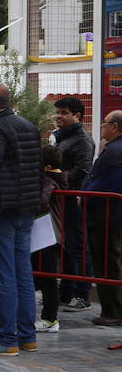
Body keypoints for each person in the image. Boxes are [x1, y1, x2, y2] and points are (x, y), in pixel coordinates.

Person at [0, 83, 42, 356]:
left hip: (2, 206)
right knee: (22, 272)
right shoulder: (28, 125)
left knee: (3, 275)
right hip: (26, 206)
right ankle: (28, 336)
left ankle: (6, 340)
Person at [51, 96, 96, 312]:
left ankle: (82, 294)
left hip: (73, 198)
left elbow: (84, 168)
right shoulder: (63, 137)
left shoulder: (82, 139)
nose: (59, 116)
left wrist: (59, 178)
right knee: (67, 246)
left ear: (77, 115)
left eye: (64, 113)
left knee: (77, 246)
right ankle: (66, 291)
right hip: (62, 197)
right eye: (58, 112)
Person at [82, 110, 122, 326]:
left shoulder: (115, 151)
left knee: (108, 263)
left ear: (115, 126)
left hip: (107, 215)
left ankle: (113, 311)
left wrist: (86, 196)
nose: (102, 126)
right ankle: (110, 310)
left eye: (105, 123)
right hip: (105, 214)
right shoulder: (112, 149)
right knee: (106, 262)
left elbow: (107, 181)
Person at [32, 146, 66, 333]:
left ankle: (50, 318)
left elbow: (41, 201)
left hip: (48, 234)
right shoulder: (51, 178)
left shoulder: (49, 180)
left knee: (49, 276)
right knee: (42, 275)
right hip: (44, 233)